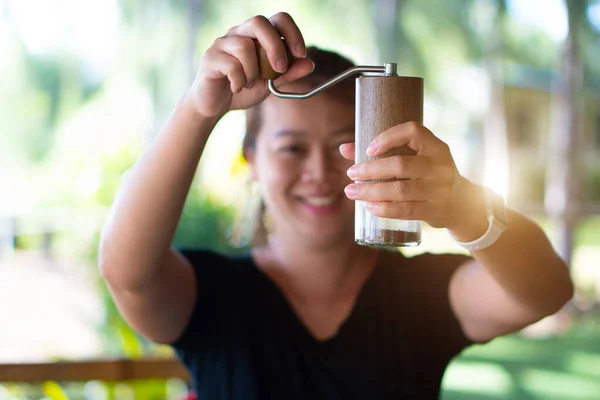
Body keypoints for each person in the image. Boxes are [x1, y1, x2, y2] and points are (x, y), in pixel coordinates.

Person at [98, 12, 574, 400]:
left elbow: (544, 290)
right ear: (252, 160)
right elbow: (126, 271)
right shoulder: (213, 297)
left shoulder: (418, 295)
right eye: (291, 148)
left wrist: (464, 207)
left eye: (345, 144)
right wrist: (198, 109)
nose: (319, 172)